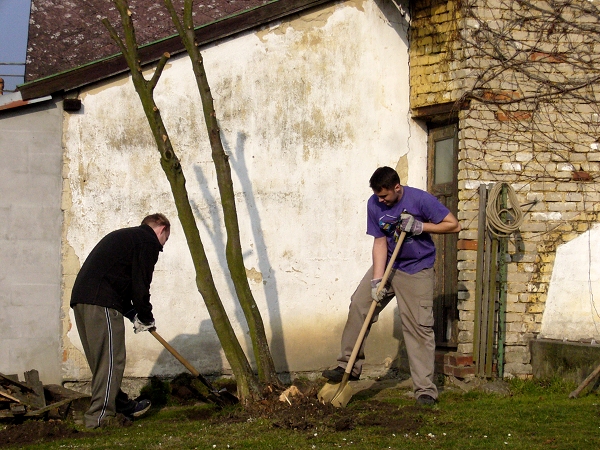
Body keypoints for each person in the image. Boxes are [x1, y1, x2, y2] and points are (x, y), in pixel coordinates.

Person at [322, 167, 461, 406]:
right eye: (377, 195)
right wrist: (377, 280)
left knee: (418, 327)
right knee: (359, 304)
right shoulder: (374, 204)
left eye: (384, 196)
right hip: (387, 266)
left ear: (397, 187)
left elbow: (453, 225)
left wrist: (421, 227)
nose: (380, 200)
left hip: (417, 269)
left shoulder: (420, 199)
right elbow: (378, 241)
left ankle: (425, 389)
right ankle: (349, 365)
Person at [70, 213, 171, 428]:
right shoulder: (147, 241)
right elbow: (140, 284)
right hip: (101, 303)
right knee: (111, 361)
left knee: (102, 362)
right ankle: (99, 419)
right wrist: (146, 316)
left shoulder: (127, 238)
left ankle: (121, 405)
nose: (161, 247)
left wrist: (134, 314)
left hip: (83, 301)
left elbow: (118, 280)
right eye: (165, 241)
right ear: (161, 229)